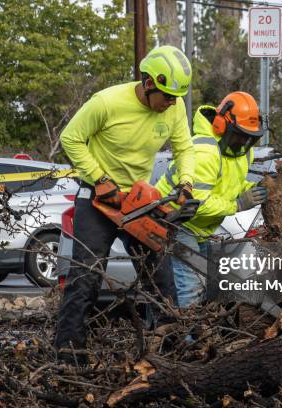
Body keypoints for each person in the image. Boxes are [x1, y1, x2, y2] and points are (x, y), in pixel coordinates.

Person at [54, 45, 196, 364]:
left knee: (161, 281)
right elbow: (71, 138)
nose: (173, 103)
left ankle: (169, 354)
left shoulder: (172, 109)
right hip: (97, 201)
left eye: (177, 98)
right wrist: (98, 177)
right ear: (148, 84)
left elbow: (184, 149)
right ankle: (69, 357)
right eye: (168, 96)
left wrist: (185, 183)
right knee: (85, 279)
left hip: (138, 203)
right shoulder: (106, 102)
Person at [156, 91, 268, 308]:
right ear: (220, 125)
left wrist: (251, 190)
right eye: (239, 136)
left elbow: (227, 186)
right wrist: (238, 204)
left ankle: (189, 332)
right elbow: (196, 202)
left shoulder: (242, 152)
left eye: (248, 137)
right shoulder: (205, 151)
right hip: (173, 220)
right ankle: (189, 340)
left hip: (200, 228)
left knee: (208, 284)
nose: (243, 142)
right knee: (190, 286)